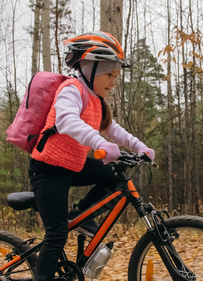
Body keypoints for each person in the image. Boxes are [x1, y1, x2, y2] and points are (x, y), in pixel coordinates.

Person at [28, 31, 155, 281]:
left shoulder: (96, 100)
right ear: (91, 69)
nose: (113, 82)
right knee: (56, 234)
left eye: (115, 76)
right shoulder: (72, 89)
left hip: (72, 165)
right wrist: (99, 143)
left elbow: (112, 128)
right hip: (48, 169)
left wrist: (140, 147)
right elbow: (65, 120)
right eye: (109, 74)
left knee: (116, 178)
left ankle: (80, 214)